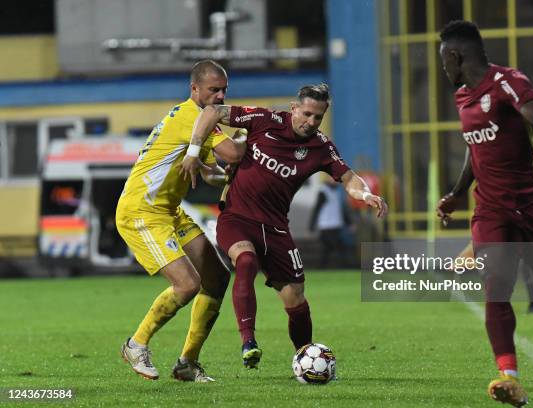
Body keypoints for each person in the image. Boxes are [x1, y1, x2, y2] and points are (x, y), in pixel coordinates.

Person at [180, 83, 388, 368]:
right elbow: (212, 111)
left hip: (276, 228)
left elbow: (349, 177)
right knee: (246, 260)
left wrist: (365, 194)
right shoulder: (264, 120)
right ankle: (248, 342)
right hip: (237, 219)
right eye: (306, 114)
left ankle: (307, 359)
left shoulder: (321, 146)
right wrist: (193, 151)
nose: (311, 122)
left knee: (296, 299)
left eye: (318, 117)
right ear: (293, 108)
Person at [436, 21, 533, 407]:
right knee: (495, 286)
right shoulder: (462, 97)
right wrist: (456, 192)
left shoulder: (508, 80)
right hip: (492, 209)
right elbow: (474, 147)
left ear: (454, 56)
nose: (443, 69)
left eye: (442, 60)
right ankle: (509, 377)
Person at [116, 60, 245, 382]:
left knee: (216, 276)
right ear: (195, 89)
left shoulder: (197, 120)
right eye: (214, 90)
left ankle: (187, 362)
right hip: (141, 211)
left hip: (169, 210)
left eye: (224, 90)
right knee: (188, 284)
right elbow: (234, 154)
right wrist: (253, 133)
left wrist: (221, 175)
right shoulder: (192, 117)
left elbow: (212, 172)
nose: (220, 96)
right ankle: (136, 344)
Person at [309, 174, 354, 268]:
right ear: (327, 179)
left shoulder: (337, 191)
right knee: (338, 246)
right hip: (326, 226)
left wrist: (349, 223)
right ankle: (345, 266)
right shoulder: (323, 191)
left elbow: (341, 209)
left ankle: (322, 267)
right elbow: (317, 209)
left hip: (336, 224)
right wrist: (312, 226)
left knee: (328, 248)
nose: (335, 181)